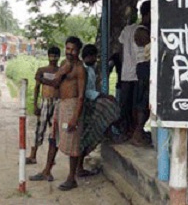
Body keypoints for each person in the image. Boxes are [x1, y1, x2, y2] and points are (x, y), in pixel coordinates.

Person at [34, 36, 86, 191]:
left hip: (72, 105)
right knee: (53, 138)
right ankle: (46, 171)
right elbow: (56, 83)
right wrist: (42, 79)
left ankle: (72, 178)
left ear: (78, 51)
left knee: (72, 142)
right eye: (68, 49)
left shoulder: (80, 69)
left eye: (73, 50)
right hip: (60, 104)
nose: (69, 52)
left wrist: (75, 118)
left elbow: (81, 96)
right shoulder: (64, 64)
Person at [77, 44, 120, 177]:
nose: (96, 59)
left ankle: (107, 132)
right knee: (86, 134)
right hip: (86, 104)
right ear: (89, 56)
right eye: (94, 57)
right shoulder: (83, 70)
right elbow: (86, 91)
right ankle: (78, 167)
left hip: (90, 101)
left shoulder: (90, 69)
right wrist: (103, 96)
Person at [118, 1, 152, 146]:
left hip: (127, 72)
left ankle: (131, 133)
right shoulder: (143, 31)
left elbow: (120, 50)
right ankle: (137, 134)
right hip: (140, 71)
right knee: (141, 104)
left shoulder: (128, 29)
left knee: (130, 105)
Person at [26, 46, 61, 165]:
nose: (53, 58)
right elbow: (37, 88)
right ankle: (33, 154)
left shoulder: (60, 71)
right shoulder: (42, 70)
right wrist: (35, 104)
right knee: (40, 129)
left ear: (58, 57)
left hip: (57, 102)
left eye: (55, 56)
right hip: (45, 101)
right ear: (48, 56)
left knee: (54, 131)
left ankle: (51, 158)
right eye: (51, 55)